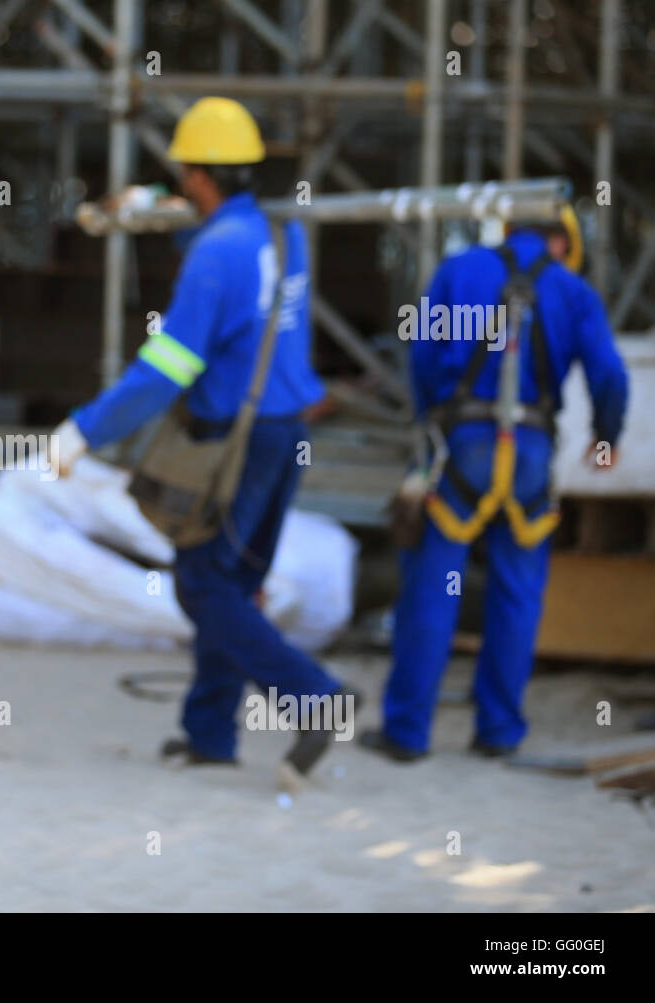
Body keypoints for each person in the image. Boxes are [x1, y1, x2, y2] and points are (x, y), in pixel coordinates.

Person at [51, 97, 354, 782]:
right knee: (233, 581)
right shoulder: (284, 235)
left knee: (202, 583)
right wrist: (161, 203)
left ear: (196, 176)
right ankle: (211, 731)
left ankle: (315, 697)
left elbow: (168, 368)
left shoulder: (216, 254)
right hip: (283, 434)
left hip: (233, 442)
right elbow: (227, 261)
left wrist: (85, 429)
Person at [362, 214, 629, 762]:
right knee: (517, 591)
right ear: (561, 242)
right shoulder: (572, 290)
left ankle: (408, 733)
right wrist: (605, 440)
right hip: (530, 450)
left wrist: (429, 421)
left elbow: (422, 353)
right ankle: (499, 732)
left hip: (463, 444)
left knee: (434, 588)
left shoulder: (458, 273)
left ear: (506, 227)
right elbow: (610, 376)